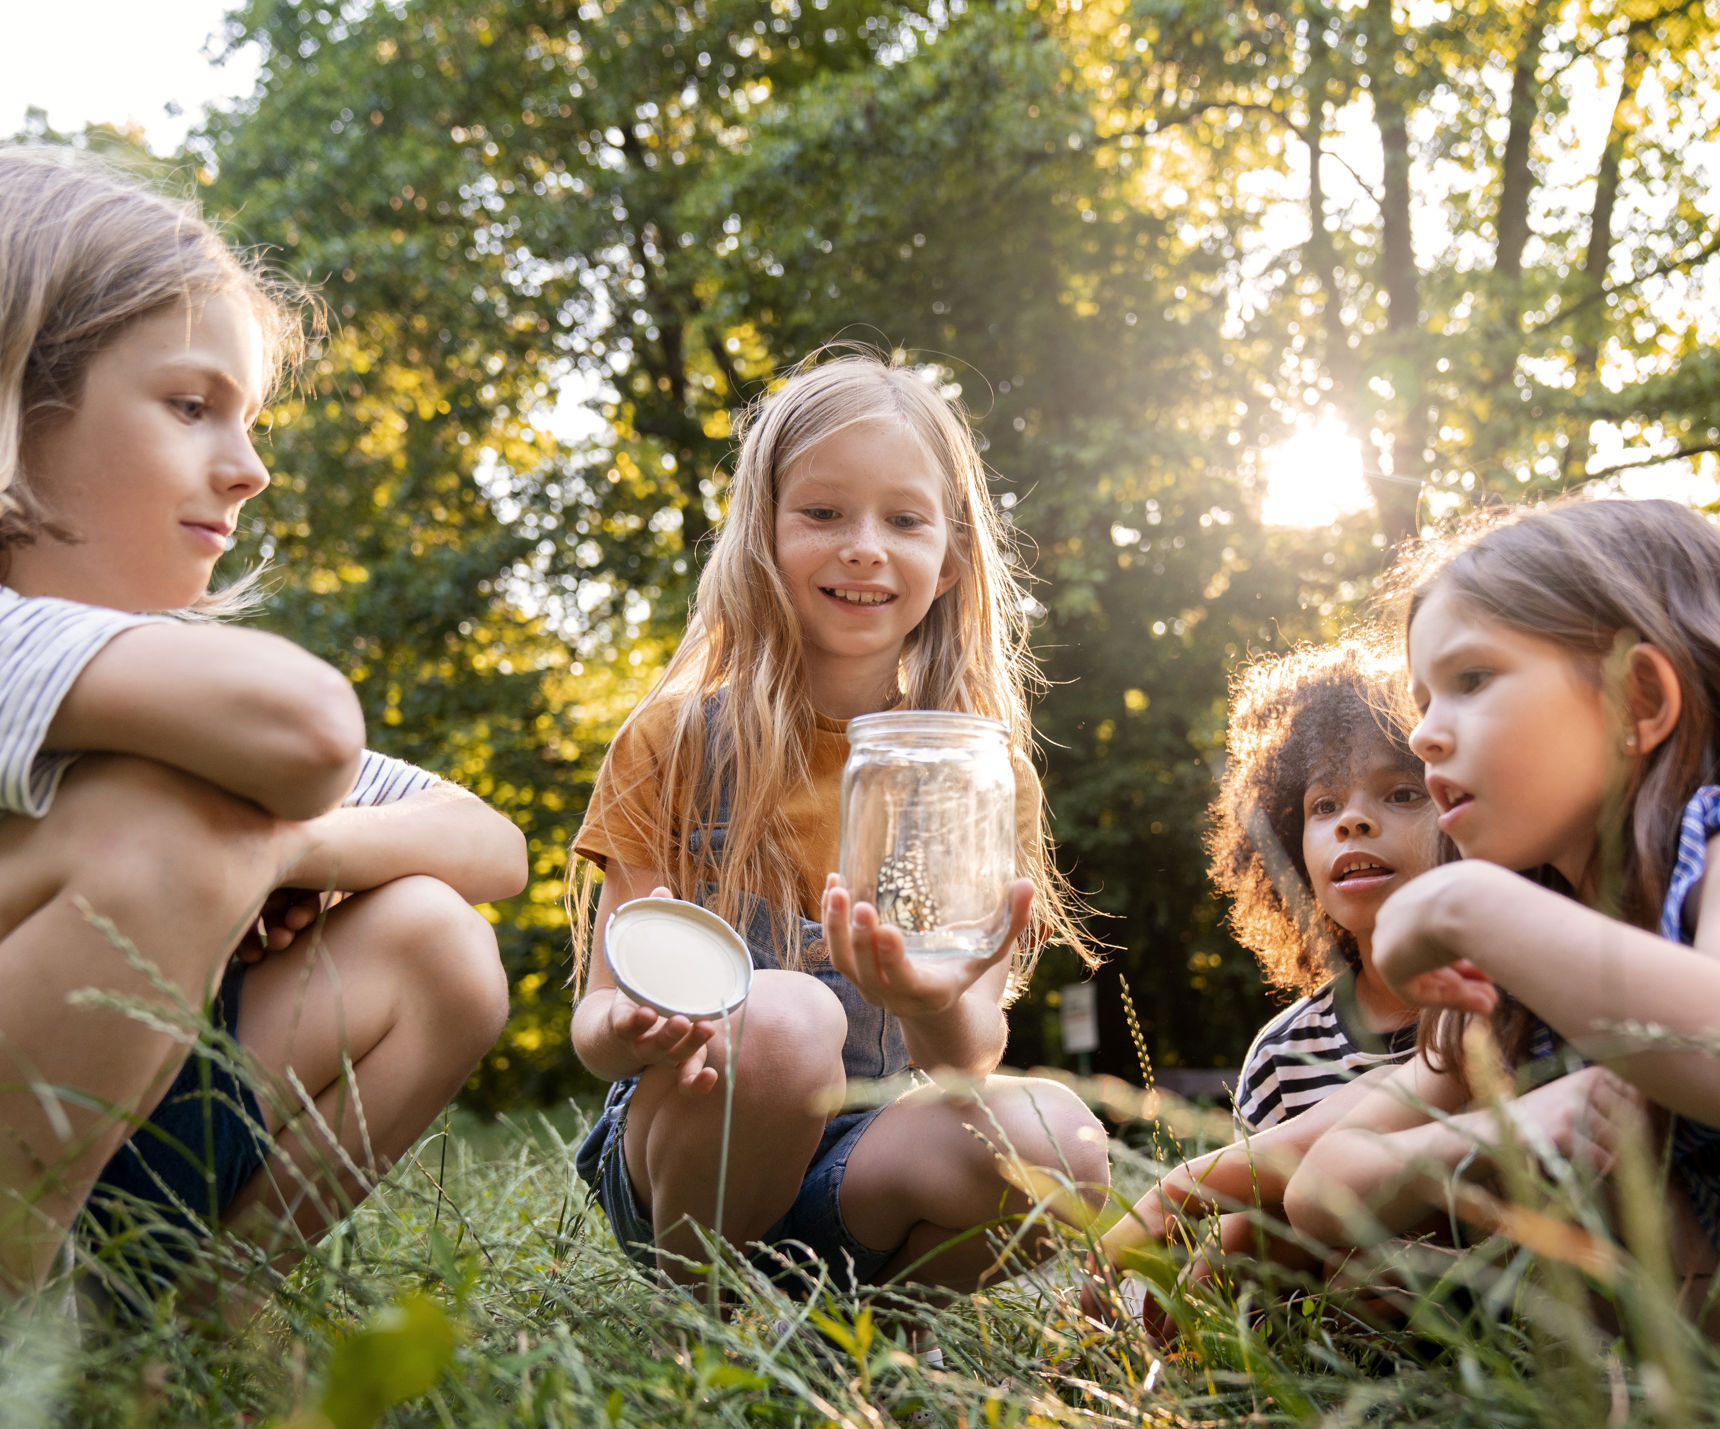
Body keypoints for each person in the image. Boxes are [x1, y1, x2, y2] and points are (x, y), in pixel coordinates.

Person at [0, 149, 526, 1308]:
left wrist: (289, 852)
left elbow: (491, 844)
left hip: (97, 1169)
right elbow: (305, 730)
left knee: (439, 940)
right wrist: (240, 839)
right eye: (192, 406)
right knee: (174, 825)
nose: (249, 470)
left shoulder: (169, 700)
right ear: (19, 405)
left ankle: (183, 1340)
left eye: (248, 418)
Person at [568, 351, 1109, 1293]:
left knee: (1056, 1142)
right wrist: (634, 1026)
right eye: (822, 513)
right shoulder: (672, 740)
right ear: (761, 536)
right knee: (786, 1019)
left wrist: (929, 996)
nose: (865, 546)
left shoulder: (972, 773)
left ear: (950, 561)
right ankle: (695, 1329)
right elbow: (597, 1023)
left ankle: (856, 1345)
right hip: (683, 1155)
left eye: (904, 519)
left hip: (857, 1168)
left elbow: (966, 1060)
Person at [1280, 499, 1720, 1312]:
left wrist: (1467, 902)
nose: (1422, 736)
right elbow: (1321, 1188)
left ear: (1640, 701)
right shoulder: (1527, 944)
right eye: (1423, 700)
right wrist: (1498, 1134)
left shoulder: (1710, 844)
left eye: (1471, 681)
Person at [1209, 637, 1435, 1131]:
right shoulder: (1283, 1058)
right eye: (1325, 806)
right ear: (1292, 843)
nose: (1351, 821)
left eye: (1401, 794)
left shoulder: (1526, 1003)